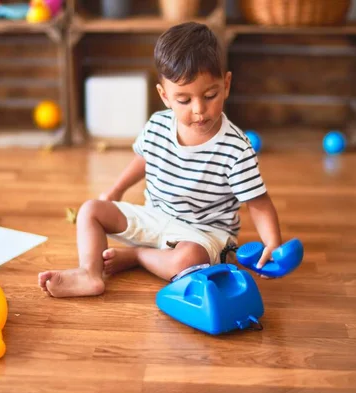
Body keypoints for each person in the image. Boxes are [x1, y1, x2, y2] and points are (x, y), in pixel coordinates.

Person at [39, 21, 282, 298]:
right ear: (164, 96)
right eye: (184, 100)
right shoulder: (156, 125)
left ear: (226, 85)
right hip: (155, 217)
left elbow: (258, 203)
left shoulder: (236, 148)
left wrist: (273, 244)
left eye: (210, 95)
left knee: (189, 261)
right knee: (90, 210)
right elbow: (143, 160)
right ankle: (90, 273)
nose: (199, 110)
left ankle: (138, 257)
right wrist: (117, 190)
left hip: (204, 234)